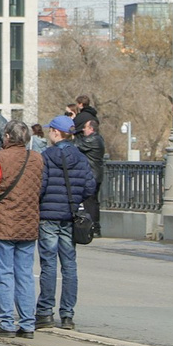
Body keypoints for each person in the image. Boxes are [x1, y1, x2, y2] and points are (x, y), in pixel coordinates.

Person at [0, 123, 45, 340]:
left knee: (3, 274)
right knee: (25, 275)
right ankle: (28, 323)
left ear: (6, 136)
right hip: (28, 223)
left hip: (2, 224)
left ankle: (6, 323)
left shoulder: (0, 159)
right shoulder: (37, 159)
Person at [36, 115, 98, 331]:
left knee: (49, 265)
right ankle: (67, 315)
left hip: (48, 217)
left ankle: (45, 312)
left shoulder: (46, 156)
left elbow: (40, 187)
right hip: (70, 217)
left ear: (56, 132)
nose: (49, 134)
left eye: (50, 130)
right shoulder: (80, 157)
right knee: (69, 265)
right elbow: (89, 187)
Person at [72, 101, 105, 237]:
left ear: (91, 129)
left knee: (90, 202)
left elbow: (76, 145)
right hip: (95, 174)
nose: (83, 130)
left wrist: (72, 132)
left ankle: (93, 228)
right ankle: (95, 227)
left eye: (85, 128)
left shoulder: (93, 140)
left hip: (92, 175)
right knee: (92, 202)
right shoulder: (98, 138)